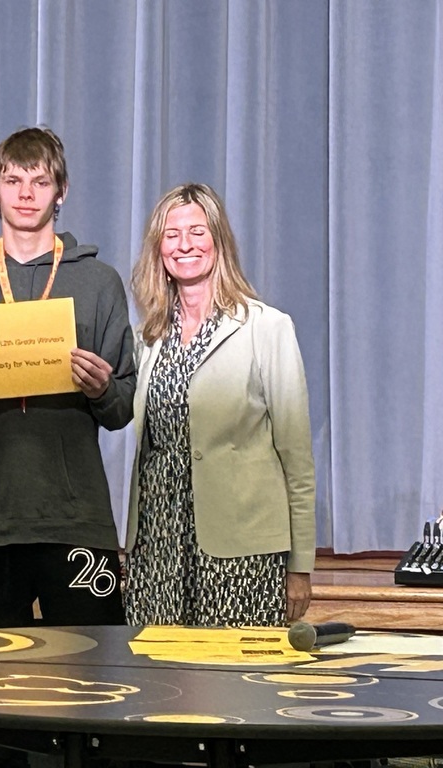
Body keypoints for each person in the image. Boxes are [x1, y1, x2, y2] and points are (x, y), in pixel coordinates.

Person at [0, 127, 135, 767]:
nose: (26, 193)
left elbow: (123, 408)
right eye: (13, 180)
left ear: (60, 193)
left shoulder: (98, 283)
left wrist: (100, 388)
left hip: (78, 525)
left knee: (98, 698)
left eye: (40, 181)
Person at [124, 182, 316, 627]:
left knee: (235, 689)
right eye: (171, 235)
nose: (184, 244)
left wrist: (300, 566)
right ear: (158, 249)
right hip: (157, 550)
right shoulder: (146, 339)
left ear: (219, 241)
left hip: (242, 554)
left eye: (197, 231)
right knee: (158, 685)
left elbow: (297, 458)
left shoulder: (266, 328)